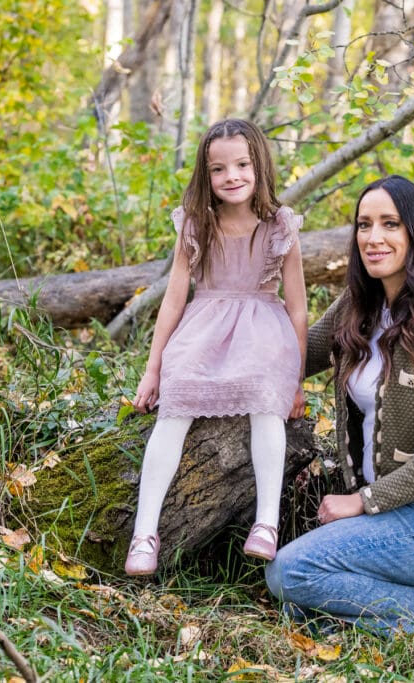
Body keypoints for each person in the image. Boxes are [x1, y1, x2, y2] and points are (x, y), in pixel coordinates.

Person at [265, 175, 414, 637]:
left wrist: (362, 501)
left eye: (390, 224)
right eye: (364, 224)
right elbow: (296, 355)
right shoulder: (359, 304)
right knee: (300, 609)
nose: (373, 238)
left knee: (290, 573)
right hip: (386, 516)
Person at [124, 119, 308, 575]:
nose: (232, 176)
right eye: (219, 169)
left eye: (242, 165)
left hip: (263, 331)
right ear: (205, 175)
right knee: (176, 402)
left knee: (265, 401)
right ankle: (144, 533)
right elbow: (173, 300)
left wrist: (296, 380)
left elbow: (298, 308)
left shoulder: (280, 226)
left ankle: (266, 523)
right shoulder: (196, 225)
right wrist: (153, 370)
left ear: (258, 165)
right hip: (203, 329)